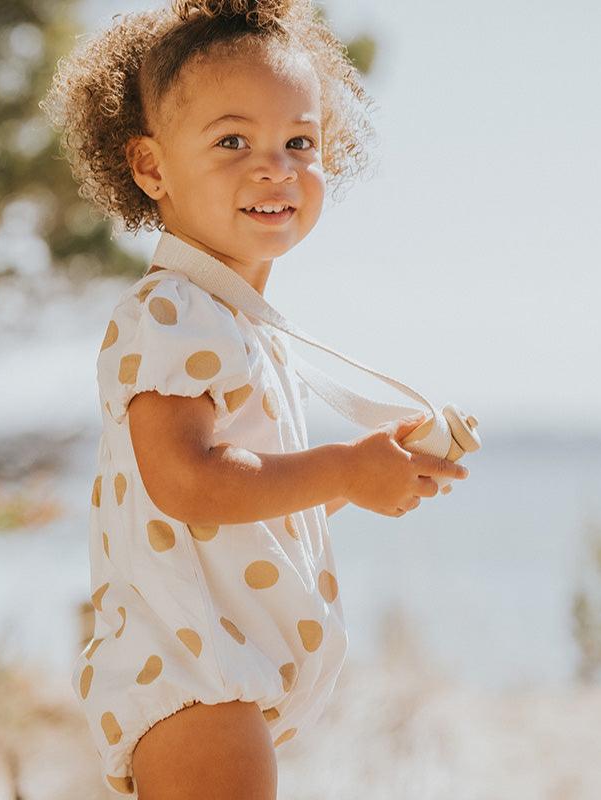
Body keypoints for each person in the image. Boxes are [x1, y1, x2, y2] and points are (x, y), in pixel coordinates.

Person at [40, 1, 469, 796]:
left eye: (298, 142)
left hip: (219, 664)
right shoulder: (170, 312)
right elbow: (189, 481)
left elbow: (228, 514)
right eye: (232, 140)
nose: (273, 166)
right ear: (151, 167)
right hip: (191, 669)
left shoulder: (234, 323)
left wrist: (367, 476)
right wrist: (340, 469)